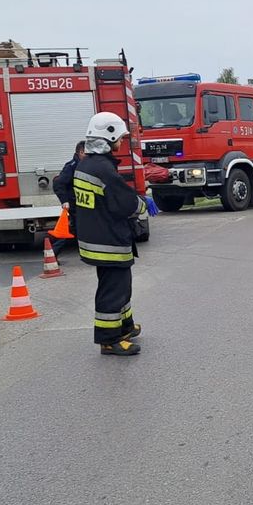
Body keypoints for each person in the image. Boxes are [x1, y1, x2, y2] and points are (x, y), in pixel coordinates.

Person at [75, 111, 147, 356]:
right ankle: (109, 340)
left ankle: (124, 327)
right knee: (113, 290)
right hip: (108, 242)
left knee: (121, 287)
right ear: (109, 136)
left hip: (98, 238)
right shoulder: (103, 169)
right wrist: (143, 204)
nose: (122, 142)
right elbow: (125, 205)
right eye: (120, 138)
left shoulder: (87, 164)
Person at [49, 140, 86, 257]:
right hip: (74, 204)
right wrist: (64, 201)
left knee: (78, 229)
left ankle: (53, 254)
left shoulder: (83, 165)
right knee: (74, 230)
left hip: (82, 204)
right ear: (81, 152)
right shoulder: (72, 166)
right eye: (88, 152)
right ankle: (53, 254)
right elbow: (58, 184)